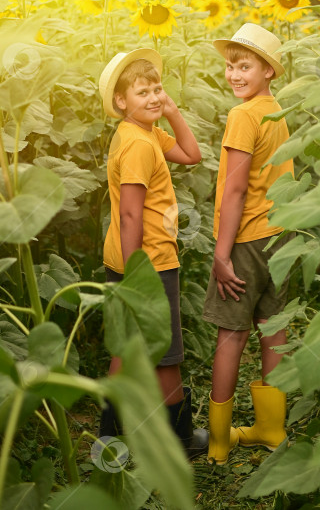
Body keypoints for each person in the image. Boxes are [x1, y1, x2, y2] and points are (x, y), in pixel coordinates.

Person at [98, 47, 208, 459]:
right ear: (121, 102)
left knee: (125, 348)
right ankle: (180, 441)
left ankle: (110, 436)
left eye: (158, 89)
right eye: (143, 92)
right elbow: (130, 214)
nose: (154, 98)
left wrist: (173, 112)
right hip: (150, 264)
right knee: (167, 357)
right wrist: (137, 273)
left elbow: (192, 155)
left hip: (125, 261)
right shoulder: (141, 146)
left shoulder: (140, 134)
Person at [202, 23, 294, 465]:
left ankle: (218, 443)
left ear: (268, 71)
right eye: (230, 66)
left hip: (247, 239)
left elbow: (236, 190)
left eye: (245, 66)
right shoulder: (275, 110)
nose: (234, 74)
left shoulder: (242, 116)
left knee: (230, 337)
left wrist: (222, 254)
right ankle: (271, 430)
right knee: (273, 331)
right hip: (281, 235)